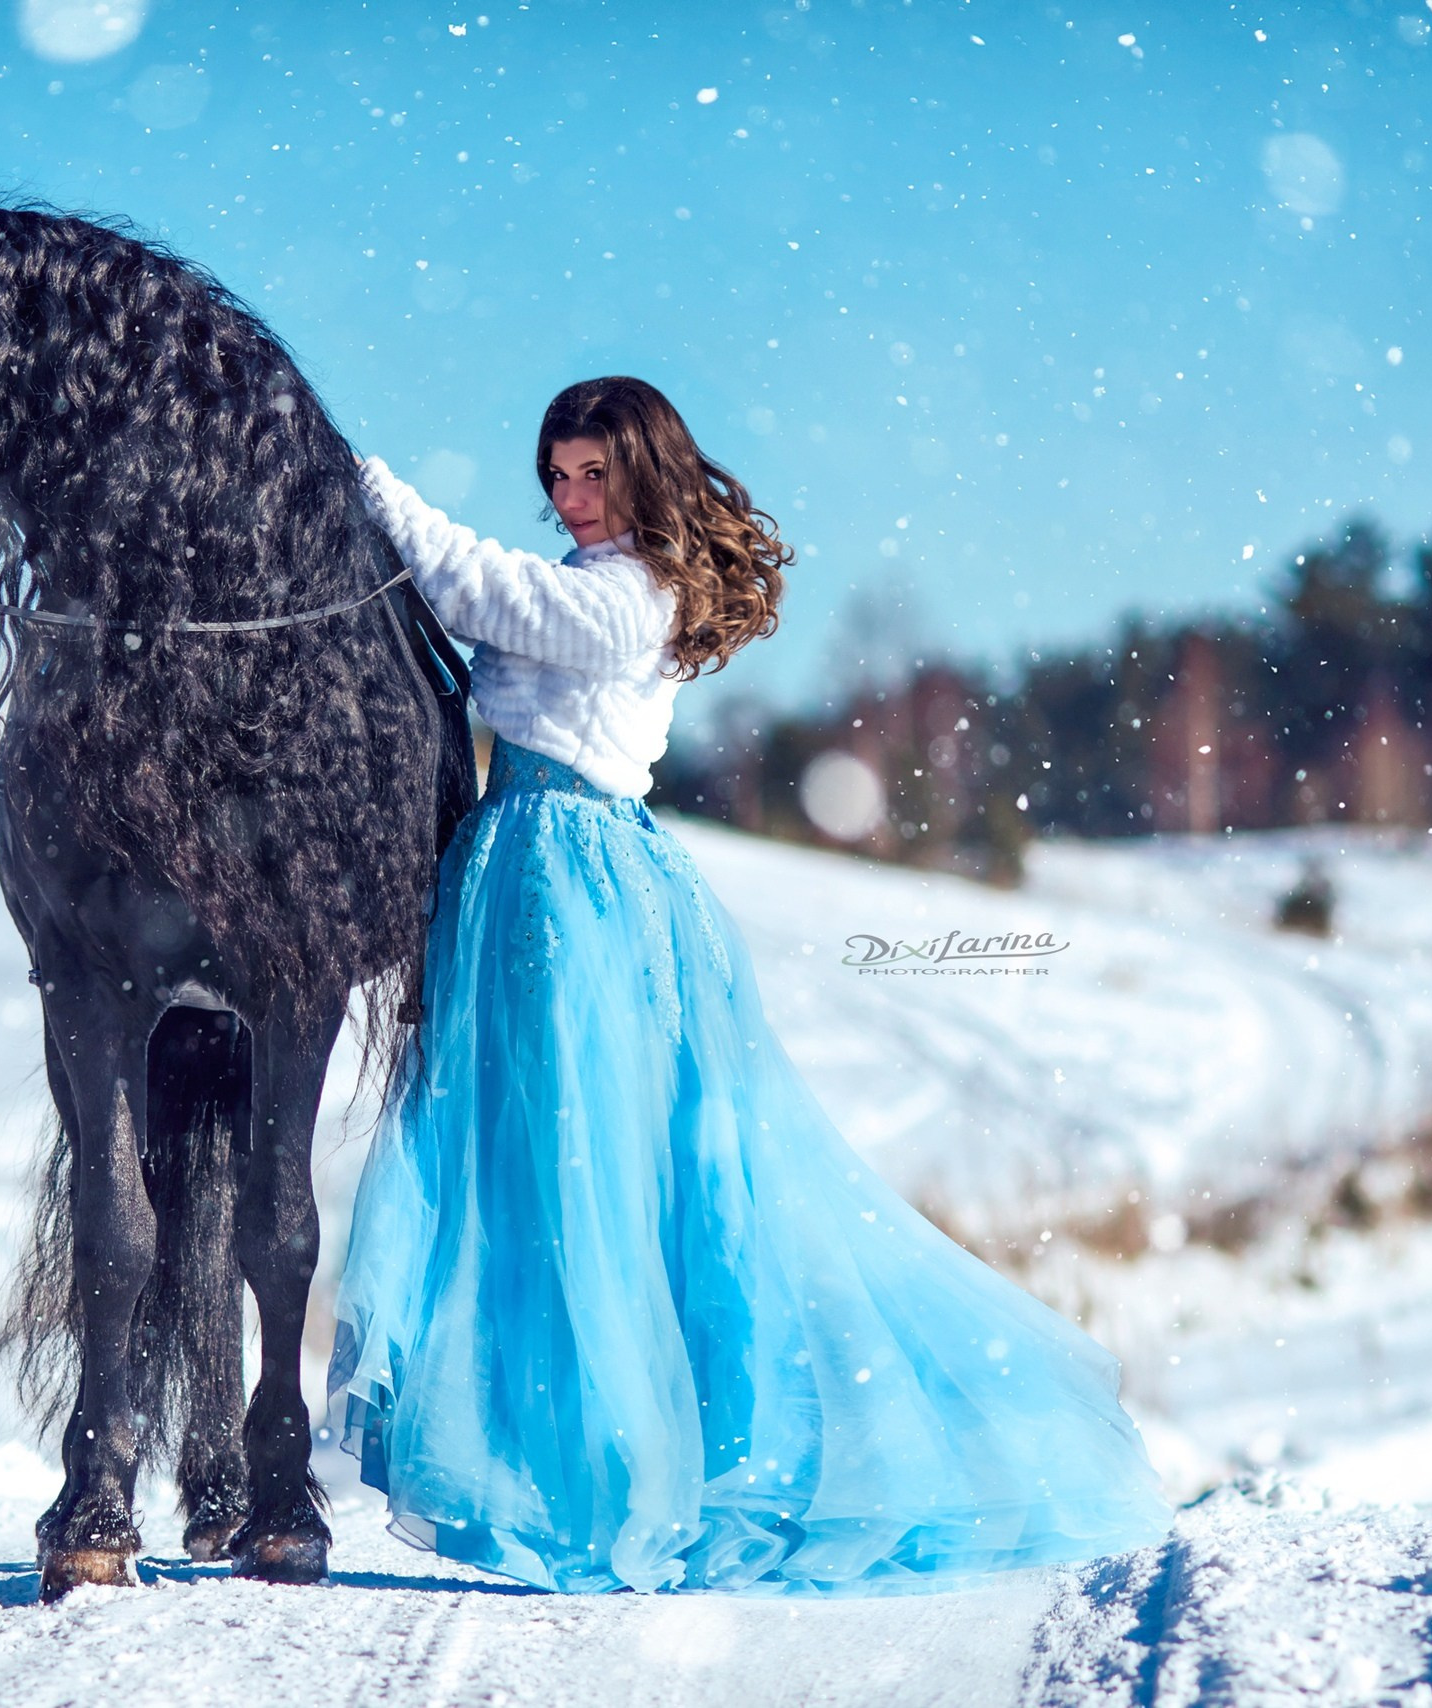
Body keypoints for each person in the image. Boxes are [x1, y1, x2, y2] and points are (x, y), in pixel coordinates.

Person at [327, 376, 1173, 1596]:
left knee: (590, 1180)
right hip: (528, 874)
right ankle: (577, 1472)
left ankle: (622, 1480)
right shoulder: (598, 579)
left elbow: (474, 589)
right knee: (537, 1170)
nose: (569, 497)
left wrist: (362, 478)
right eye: (556, 475)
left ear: (641, 473)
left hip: (569, 885)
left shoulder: (626, 596)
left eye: (591, 474)